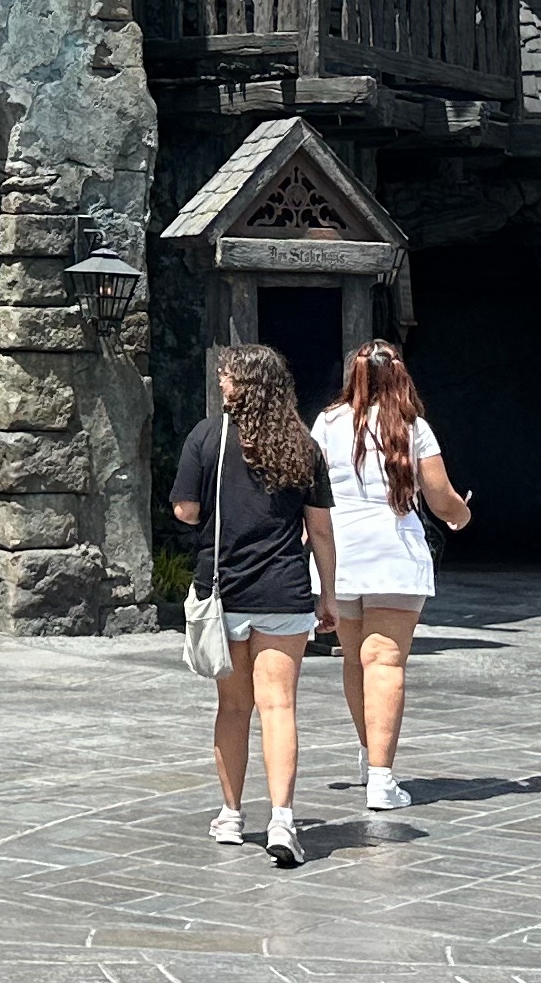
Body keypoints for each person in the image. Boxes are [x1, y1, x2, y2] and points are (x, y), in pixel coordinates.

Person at [172, 341, 338, 869]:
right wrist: (328, 594)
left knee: (233, 707)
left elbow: (186, 511)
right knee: (280, 706)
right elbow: (320, 530)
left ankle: (231, 815)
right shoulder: (303, 445)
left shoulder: (207, 436)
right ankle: (283, 819)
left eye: (227, 375)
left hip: (225, 591)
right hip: (284, 591)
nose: (221, 382)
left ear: (244, 384)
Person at [311, 338, 474, 813]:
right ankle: (383, 780)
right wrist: (462, 515)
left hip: (339, 554)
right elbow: (441, 497)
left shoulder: (326, 423)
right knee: (384, 661)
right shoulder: (413, 427)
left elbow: (311, 490)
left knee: (354, 660)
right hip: (393, 554)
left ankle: (369, 757)